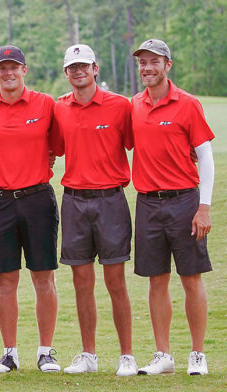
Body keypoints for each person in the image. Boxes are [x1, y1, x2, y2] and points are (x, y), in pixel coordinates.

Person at [50, 44, 137, 376]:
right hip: (74, 200)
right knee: (81, 281)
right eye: (72, 67)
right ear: (66, 73)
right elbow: (54, 148)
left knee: (115, 281)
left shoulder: (120, 106)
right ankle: (89, 354)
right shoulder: (60, 108)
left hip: (111, 200)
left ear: (95, 68)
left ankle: (126, 355)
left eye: (83, 65)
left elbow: (137, 143)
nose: (78, 71)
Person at [0, 45, 60, 373]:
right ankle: (9, 353)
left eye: (14, 67)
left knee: (43, 277)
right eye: (2, 67)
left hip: (38, 198)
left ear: (25, 70)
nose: (8, 73)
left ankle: (46, 351)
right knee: (6, 279)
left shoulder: (45, 104)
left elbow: (60, 143)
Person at [130, 39, 214, 376]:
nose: (147, 68)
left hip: (184, 201)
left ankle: (197, 354)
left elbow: (205, 157)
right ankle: (162, 354)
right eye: (142, 63)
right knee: (156, 280)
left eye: (154, 62)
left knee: (191, 278)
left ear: (168, 65)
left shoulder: (188, 104)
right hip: (147, 203)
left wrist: (204, 206)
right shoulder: (133, 104)